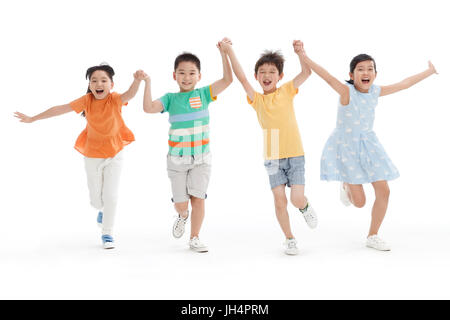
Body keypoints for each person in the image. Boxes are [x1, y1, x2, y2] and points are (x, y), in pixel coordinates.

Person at [299, 44, 438, 251]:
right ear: (351, 74)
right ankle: (346, 183)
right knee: (360, 202)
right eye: (360, 69)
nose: (366, 72)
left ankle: (373, 235)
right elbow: (327, 77)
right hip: (347, 148)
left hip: (369, 145)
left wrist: (429, 71)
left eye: (370, 69)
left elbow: (404, 84)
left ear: (375, 73)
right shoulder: (346, 91)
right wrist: (303, 56)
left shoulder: (375, 91)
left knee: (384, 190)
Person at [14, 64, 147, 249]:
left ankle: (107, 233)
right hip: (92, 153)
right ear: (90, 85)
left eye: (103, 80)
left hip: (115, 152)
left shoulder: (115, 99)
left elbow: (130, 95)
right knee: (96, 199)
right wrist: (33, 118)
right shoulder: (86, 100)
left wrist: (137, 80)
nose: (98, 84)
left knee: (111, 196)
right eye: (94, 80)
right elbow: (58, 109)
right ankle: (101, 210)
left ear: (111, 84)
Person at [220, 39, 318, 256]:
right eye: (262, 72)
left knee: (296, 199)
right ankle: (289, 238)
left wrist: (301, 52)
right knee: (279, 199)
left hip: (295, 153)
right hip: (272, 155)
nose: (266, 75)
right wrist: (229, 51)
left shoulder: (287, 90)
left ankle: (305, 207)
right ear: (257, 77)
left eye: (272, 71)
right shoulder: (257, 100)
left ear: (280, 76)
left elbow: (307, 73)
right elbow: (241, 78)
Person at [142, 40, 233, 253]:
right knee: (182, 205)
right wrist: (147, 82)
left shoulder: (203, 94)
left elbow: (228, 80)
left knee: (198, 199)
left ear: (199, 76)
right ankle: (182, 216)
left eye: (192, 73)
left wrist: (224, 53)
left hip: (202, 159)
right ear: (174, 75)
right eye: (182, 73)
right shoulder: (170, 99)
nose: (187, 77)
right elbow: (148, 108)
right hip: (177, 160)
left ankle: (195, 237)